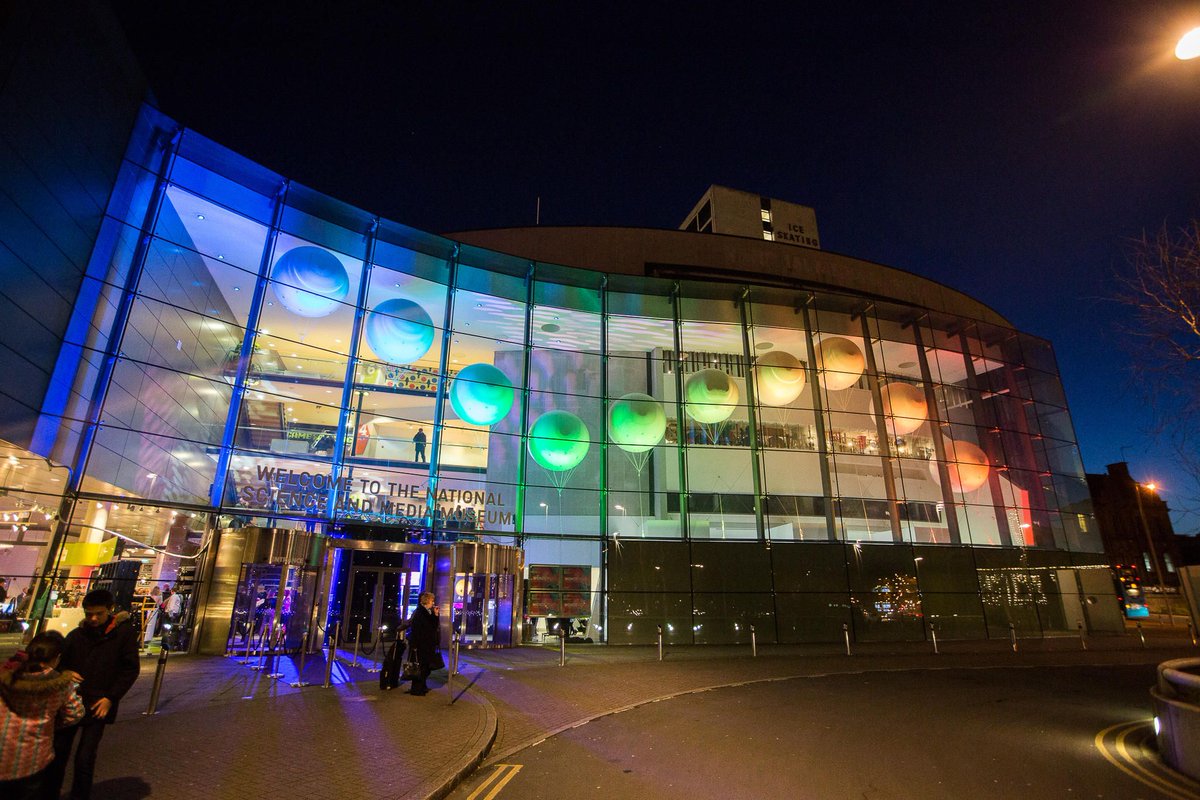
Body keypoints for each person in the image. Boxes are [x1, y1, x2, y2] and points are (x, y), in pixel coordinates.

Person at [44, 589, 139, 800]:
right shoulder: (77, 635)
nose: (93, 619)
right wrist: (65, 672)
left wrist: (111, 698)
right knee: (58, 752)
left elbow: (130, 669)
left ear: (110, 610)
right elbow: (58, 662)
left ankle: (80, 795)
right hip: (71, 701)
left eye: (99, 614)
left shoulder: (123, 634)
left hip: (99, 702)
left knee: (85, 757)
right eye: (89, 614)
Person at [0, 632, 84, 799]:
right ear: (57, 657)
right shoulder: (61, 685)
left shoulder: (7, 674)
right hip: (33, 758)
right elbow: (75, 714)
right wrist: (52, 724)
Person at [406, 592, 438, 696]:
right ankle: (417, 689)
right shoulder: (420, 612)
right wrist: (415, 645)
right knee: (420, 667)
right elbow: (420, 629)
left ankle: (421, 686)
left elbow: (433, 626)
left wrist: (435, 614)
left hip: (425, 645)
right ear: (427, 601)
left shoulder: (426, 612)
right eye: (432, 600)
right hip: (421, 645)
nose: (433, 603)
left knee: (424, 667)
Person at [140, 587, 161, 653]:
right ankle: (148, 639)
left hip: (148, 609)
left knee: (147, 623)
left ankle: (144, 638)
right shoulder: (159, 597)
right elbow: (160, 604)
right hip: (154, 610)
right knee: (151, 625)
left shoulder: (150, 596)